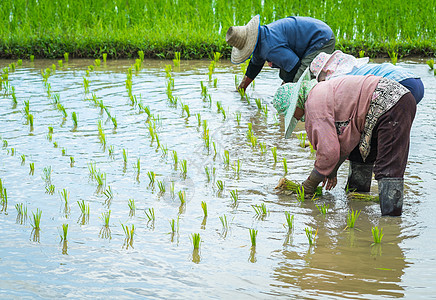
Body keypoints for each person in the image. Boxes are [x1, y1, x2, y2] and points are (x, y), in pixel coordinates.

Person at [273, 68, 416, 216]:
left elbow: (328, 152)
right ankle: (359, 202)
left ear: (296, 104)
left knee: (388, 168)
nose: (295, 118)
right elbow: (345, 139)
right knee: (360, 155)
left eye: (291, 114)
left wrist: (309, 185)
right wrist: (332, 169)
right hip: (393, 101)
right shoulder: (321, 91)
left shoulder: (313, 103)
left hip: (390, 105)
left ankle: (391, 223)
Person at [226, 15, 335, 91]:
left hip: (321, 38)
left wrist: (283, 90)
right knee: (286, 73)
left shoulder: (269, 47)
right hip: (309, 37)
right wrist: (241, 89)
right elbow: (254, 67)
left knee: (301, 81)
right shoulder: (261, 38)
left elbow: (294, 66)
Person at [310, 50, 425, 104]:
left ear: (325, 72)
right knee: (398, 124)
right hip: (416, 81)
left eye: (319, 78)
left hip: (398, 84)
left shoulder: (337, 80)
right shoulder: (355, 68)